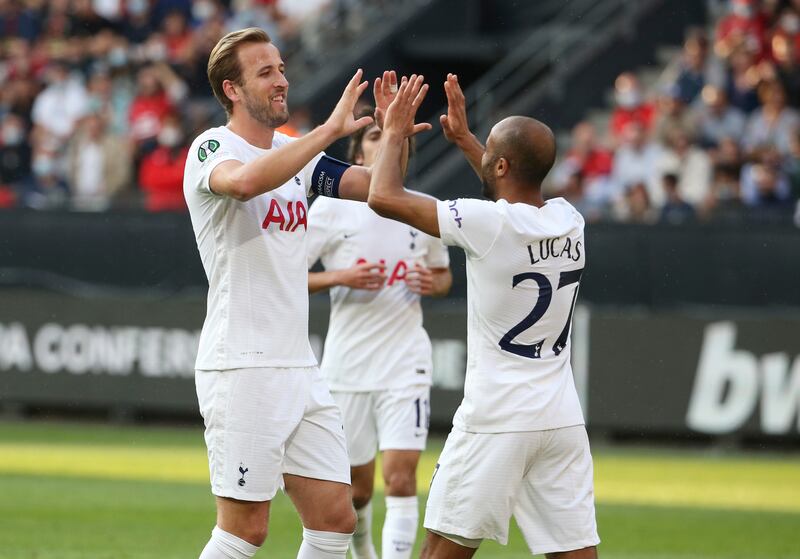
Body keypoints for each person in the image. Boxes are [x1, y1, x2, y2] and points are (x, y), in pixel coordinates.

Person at [367, 73, 599, 558]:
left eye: (489, 150)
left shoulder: (487, 223)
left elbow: (383, 196)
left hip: (497, 418)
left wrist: (392, 129)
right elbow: (510, 188)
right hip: (559, 419)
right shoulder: (568, 219)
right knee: (574, 553)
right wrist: (470, 143)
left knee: (438, 553)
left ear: (499, 164)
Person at [183, 27, 394, 559]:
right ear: (232, 90)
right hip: (243, 364)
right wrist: (326, 131)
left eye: (280, 68)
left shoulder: (290, 149)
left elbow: (375, 189)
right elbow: (245, 183)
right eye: (266, 72)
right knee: (244, 529)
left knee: (335, 521)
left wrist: (394, 138)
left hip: (298, 365)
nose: (282, 80)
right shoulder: (212, 146)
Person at [306, 98, 453, 559]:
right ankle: (365, 550)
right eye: (376, 135)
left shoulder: (425, 209)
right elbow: (287, 274)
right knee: (356, 492)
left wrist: (435, 283)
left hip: (405, 360)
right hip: (347, 366)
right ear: (357, 157)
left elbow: (444, 275)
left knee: (403, 478)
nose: (389, 143)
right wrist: (339, 277)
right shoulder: (331, 211)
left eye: (398, 138)